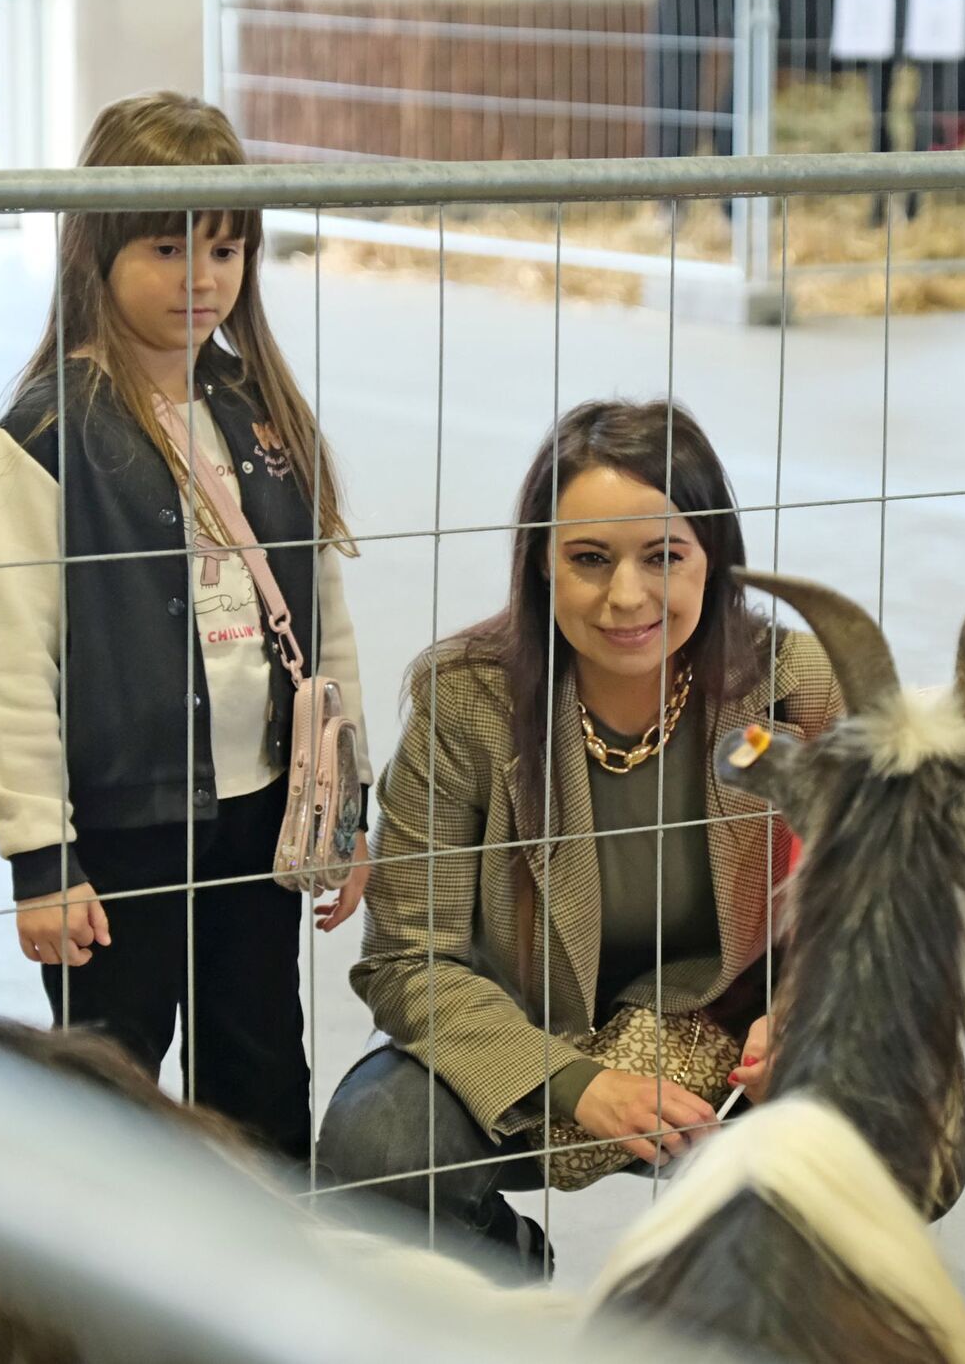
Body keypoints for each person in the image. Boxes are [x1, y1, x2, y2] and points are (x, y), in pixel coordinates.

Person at [317, 400, 843, 1273]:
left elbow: (869, 899)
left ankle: (775, 1301)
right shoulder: (467, 701)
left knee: (906, 1103)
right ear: (539, 565)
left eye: (664, 557)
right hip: (530, 1038)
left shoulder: (797, 686)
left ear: (715, 561)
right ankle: (514, 1279)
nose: (626, 596)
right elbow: (407, 958)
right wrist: (581, 1085)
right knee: (377, 1148)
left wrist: (801, 1010)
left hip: (731, 1032)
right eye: (589, 559)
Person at [0, 91, 372, 1163]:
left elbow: (325, 626)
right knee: (108, 1114)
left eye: (228, 249)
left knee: (263, 1090)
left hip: (258, 830)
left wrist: (350, 802)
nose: (203, 279)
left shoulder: (265, 416)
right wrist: (40, 860)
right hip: (117, 842)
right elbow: (17, 668)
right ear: (96, 247)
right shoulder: (42, 443)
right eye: (167, 246)